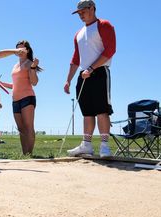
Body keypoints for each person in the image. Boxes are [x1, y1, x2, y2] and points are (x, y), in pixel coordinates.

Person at [64, 0, 116, 158]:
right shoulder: (78, 34)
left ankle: (104, 146)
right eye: (78, 13)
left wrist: (91, 68)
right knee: (87, 112)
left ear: (92, 8)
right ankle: (86, 145)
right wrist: (68, 80)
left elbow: (110, 50)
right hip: (83, 75)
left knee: (102, 110)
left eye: (83, 12)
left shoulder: (104, 25)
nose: (80, 15)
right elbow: (75, 58)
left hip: (99, 73)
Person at [2, 40, 42, 155]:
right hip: (15, 100)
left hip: (27, 98)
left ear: (27, 50)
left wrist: (33, 68)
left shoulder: (29, 63)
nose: (19, 51)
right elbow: (14, 85)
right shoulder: (15, 66)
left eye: (22, 49)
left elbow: (34, 82)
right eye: (17, 49)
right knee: (21, 129)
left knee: (29, 127)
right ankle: (25, 154)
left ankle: (30, 153)